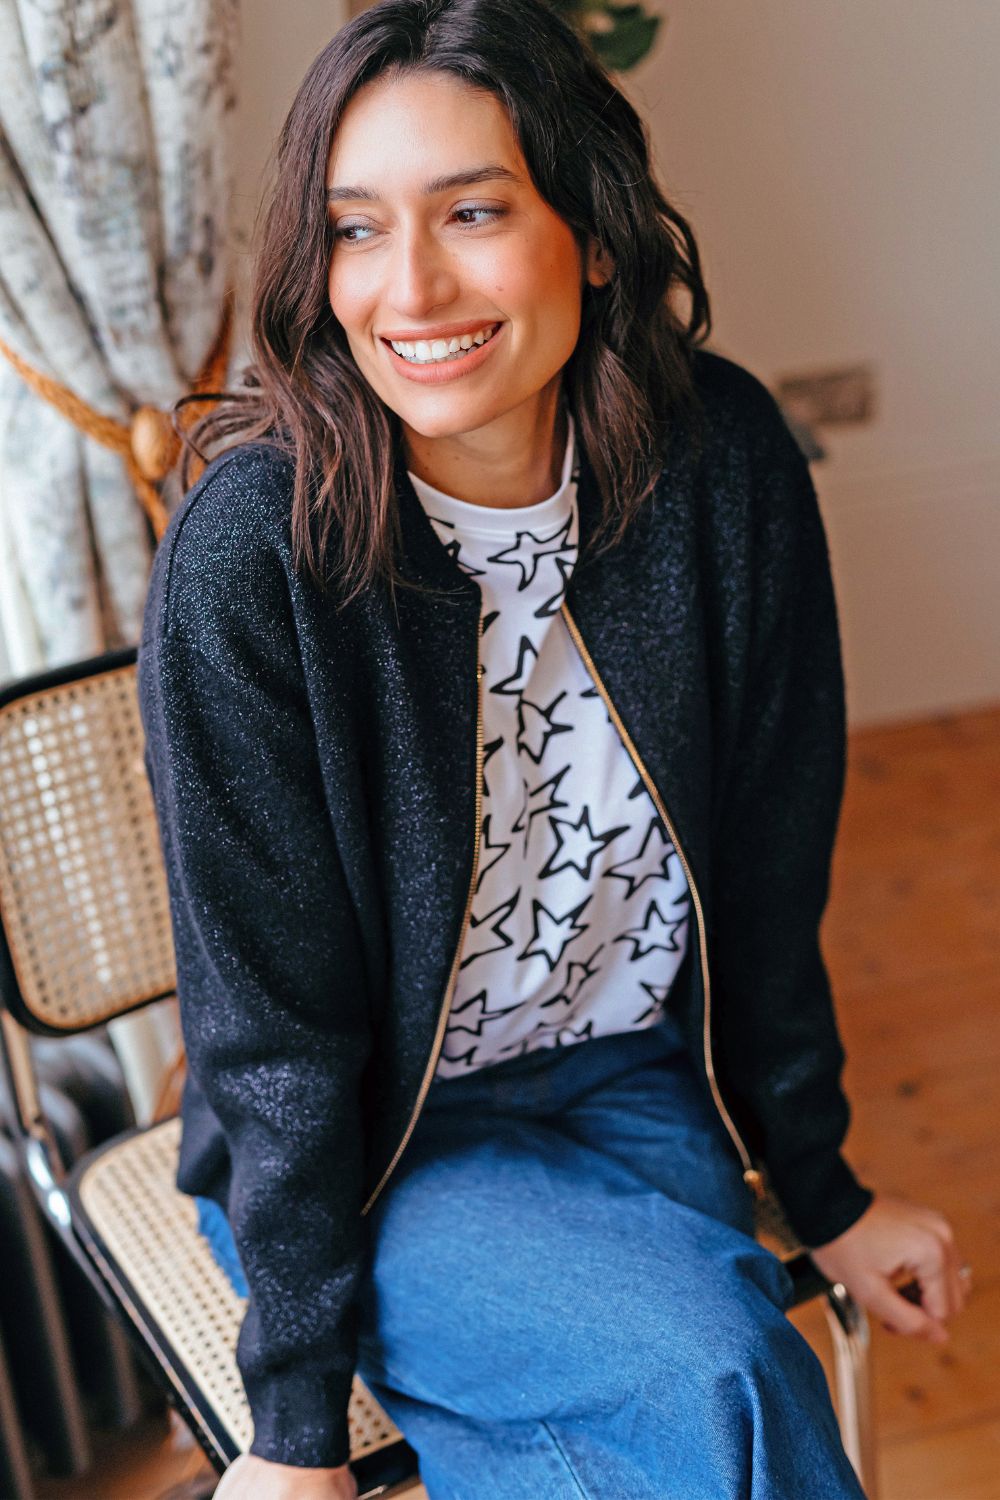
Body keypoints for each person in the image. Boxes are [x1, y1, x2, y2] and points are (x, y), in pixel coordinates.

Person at [137, 2, 970, 1495]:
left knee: (670, 1412)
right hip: (376, 1152)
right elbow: (271, 1030)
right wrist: (296, 1427)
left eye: (472, 210)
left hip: (635, 1079)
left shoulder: (722, 471)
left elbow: (775, 881)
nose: (413, 286)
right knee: (720, 1375)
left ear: (590, 231)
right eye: (354, 229)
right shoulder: (252, 556)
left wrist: (827, 1187)